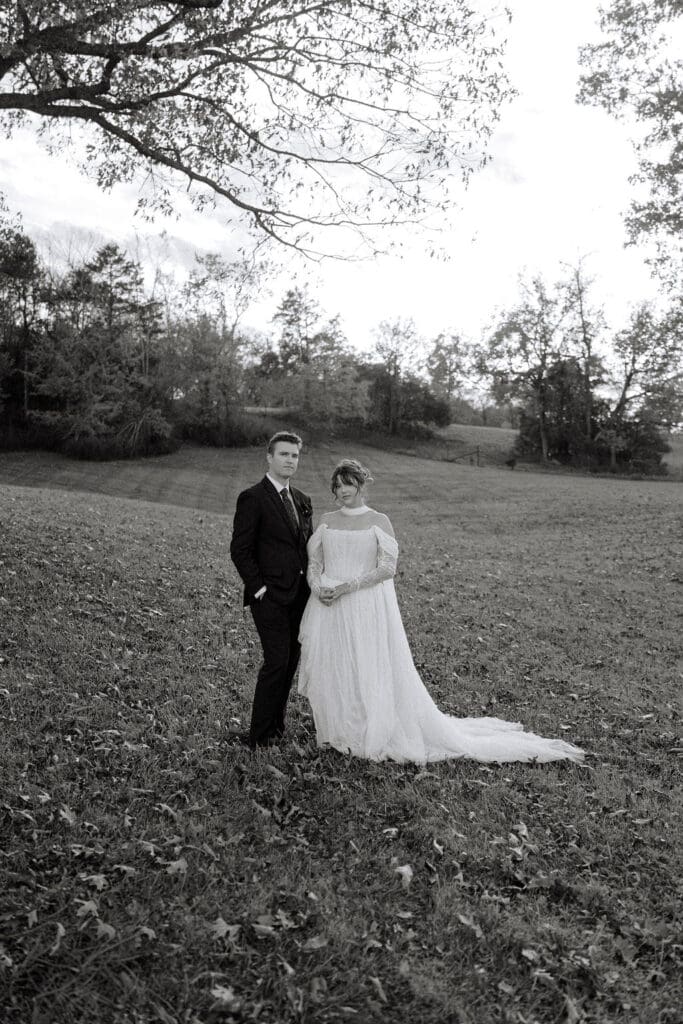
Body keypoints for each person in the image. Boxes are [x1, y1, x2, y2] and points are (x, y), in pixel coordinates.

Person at [298, 458, 585, 765]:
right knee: (336, 664)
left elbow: (387, 568)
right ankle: (338, 727)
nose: (343, 490)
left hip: (363, 603)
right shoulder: (327, 519)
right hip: (328, 604)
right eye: (338, 485)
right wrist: (317, 586)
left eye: (349, 484)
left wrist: (347, 587)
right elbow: (315, 562)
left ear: (361, 484)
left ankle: (368, 728)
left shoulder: (379, 520)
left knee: (367, 663)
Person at [230, 432, 313, 748]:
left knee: (289, 664)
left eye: (295, 455)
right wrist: (259, 589)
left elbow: (305, 547)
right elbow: (240, 549)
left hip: (300, 597)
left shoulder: (302, 500)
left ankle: (275, 728)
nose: (290, 460)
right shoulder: (253, 498)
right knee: (277, 661)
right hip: (269, 597)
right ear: (269, 457)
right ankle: (259, 736)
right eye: (284, 454)